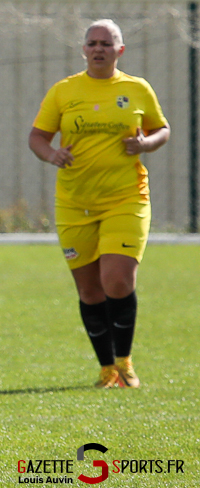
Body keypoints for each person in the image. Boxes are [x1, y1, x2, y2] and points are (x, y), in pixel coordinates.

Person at [29, 19, 169, 389]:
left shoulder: (137, 89)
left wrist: (146, 145)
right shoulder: (64, 90)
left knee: (117, 280)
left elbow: (161, 129)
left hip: (126, 197)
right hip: (74, 202)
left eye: (106, 43)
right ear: (83, 49)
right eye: (92, 43)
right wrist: (52, 154)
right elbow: (37, 136)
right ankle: (106, 368)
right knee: (90, 291)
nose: (98, 48)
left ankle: (125, 362)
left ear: (119, 50)